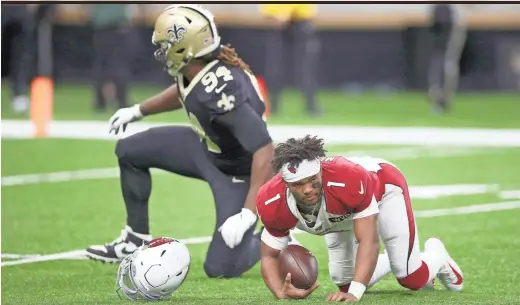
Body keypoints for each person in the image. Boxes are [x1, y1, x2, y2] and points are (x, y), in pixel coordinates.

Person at [86, 4, 275, 279]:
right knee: (129, 150)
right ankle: (135, 239)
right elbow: (185, 89)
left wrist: (248, 213)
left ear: (183, 48)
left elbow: (265, 149)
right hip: (206, 148)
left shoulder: (222, 93)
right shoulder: (199, 67)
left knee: (220, 268)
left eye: (164, 46)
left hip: (238, 173)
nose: (160, 52)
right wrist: (139, 110)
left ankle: (276, 236)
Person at [256, 135, 464, 301]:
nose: (308, 189)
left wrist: (354, 294)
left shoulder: (347, 181)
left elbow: (369, 240)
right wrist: (280, 292)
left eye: (312, 180)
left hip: (382, 189)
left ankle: (437, 255)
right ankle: (395, 259)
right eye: (298, 185)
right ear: (285, 184)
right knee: (345, 283)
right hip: (339, 214)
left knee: (410, 278)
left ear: (320, 171)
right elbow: (269, 256)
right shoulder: (271, 200)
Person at [259, 4, 321, 117]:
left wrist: (285, 14)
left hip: (301, 24)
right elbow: (266, 12)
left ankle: (311, 105)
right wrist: (277, 17)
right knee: (275, 66)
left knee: (306, 67)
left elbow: (309, 12)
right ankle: (273, 106)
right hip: (279, 27)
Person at [427, 3, 467, 114]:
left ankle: (444, 98)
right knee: (440, 62)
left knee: (448, 63)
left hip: (451, 22)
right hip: (442, 19)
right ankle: (438, 96)